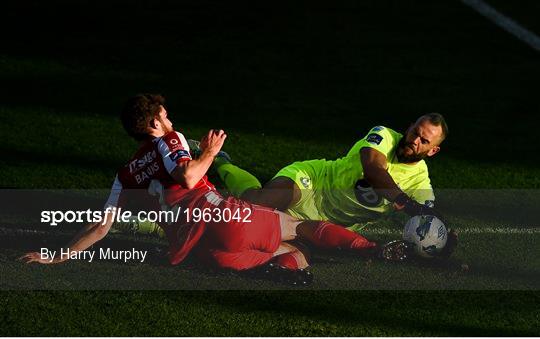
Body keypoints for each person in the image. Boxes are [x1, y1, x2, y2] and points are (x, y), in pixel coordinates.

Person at [21, 94, 402, 280]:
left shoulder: (125, 174)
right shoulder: (171, 140)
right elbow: (187, 176)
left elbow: (101, 227)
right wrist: (211, 153)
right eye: (164, 114)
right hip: (225, 219)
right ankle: (378, 250)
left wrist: (59, 255)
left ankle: (275, 268)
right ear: (154, 122)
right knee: (299, 229)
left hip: (201, 252)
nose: (169, 118)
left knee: (295, 257)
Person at [212, 113, 457, 256]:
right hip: (313, 181)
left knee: (276, 248)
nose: (414, 140)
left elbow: (428, 217)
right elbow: (372, 167)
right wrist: (402, 200)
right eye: (415, 131)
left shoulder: (420, 181)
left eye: (423, 140)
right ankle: (222, 162)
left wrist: (444, 237)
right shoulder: (383, 135)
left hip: (329, 222)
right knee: (255, 204)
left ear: (433, 150)